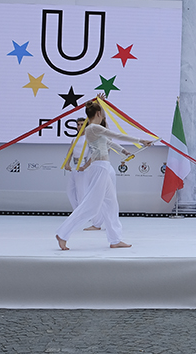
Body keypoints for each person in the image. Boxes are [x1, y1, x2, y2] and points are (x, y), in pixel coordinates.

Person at [56, 100, 154, 250]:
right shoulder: (93, 128)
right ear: (98, 114)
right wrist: (141, 140)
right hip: (99, 168)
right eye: (102, 113)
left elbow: (109, 142)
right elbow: (116, 135)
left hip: (103, 167)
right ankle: (63, 234)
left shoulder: (95, 128)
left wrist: (124, 151)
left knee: (111, 204)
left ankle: (115, 239)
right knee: (91, 206)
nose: (103, 115)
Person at [63, 116, 105, 232]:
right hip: (74, 168)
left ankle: (94, 220)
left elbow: (94, 153)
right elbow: (70, 152)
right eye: (78, 125)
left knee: (83, 194)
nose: (79, 127)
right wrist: (67, 163)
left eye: (82, 125)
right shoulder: (75, 139)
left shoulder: (89, 138)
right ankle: (79, 214)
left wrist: (85, 166)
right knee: (70, 191)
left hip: (84, 168)